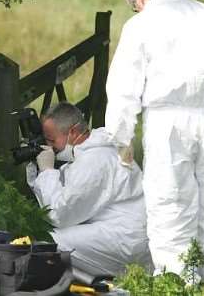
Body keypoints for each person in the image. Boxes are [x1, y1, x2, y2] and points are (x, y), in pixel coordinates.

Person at [105, 0, 204, 283]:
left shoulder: (141, 24)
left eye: (134, 3)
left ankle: (177, 282)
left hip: (167, 122)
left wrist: (122, 137)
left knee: (170, 205)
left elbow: (124, 87)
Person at [26, 102, 152, 277]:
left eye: (52, 140)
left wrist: (47, 171)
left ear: (73, 132)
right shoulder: (96, 151)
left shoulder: (95, 160)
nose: (49, 146)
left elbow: (59, 214)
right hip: (129, 231)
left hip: (125, 238)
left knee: (47, 244)